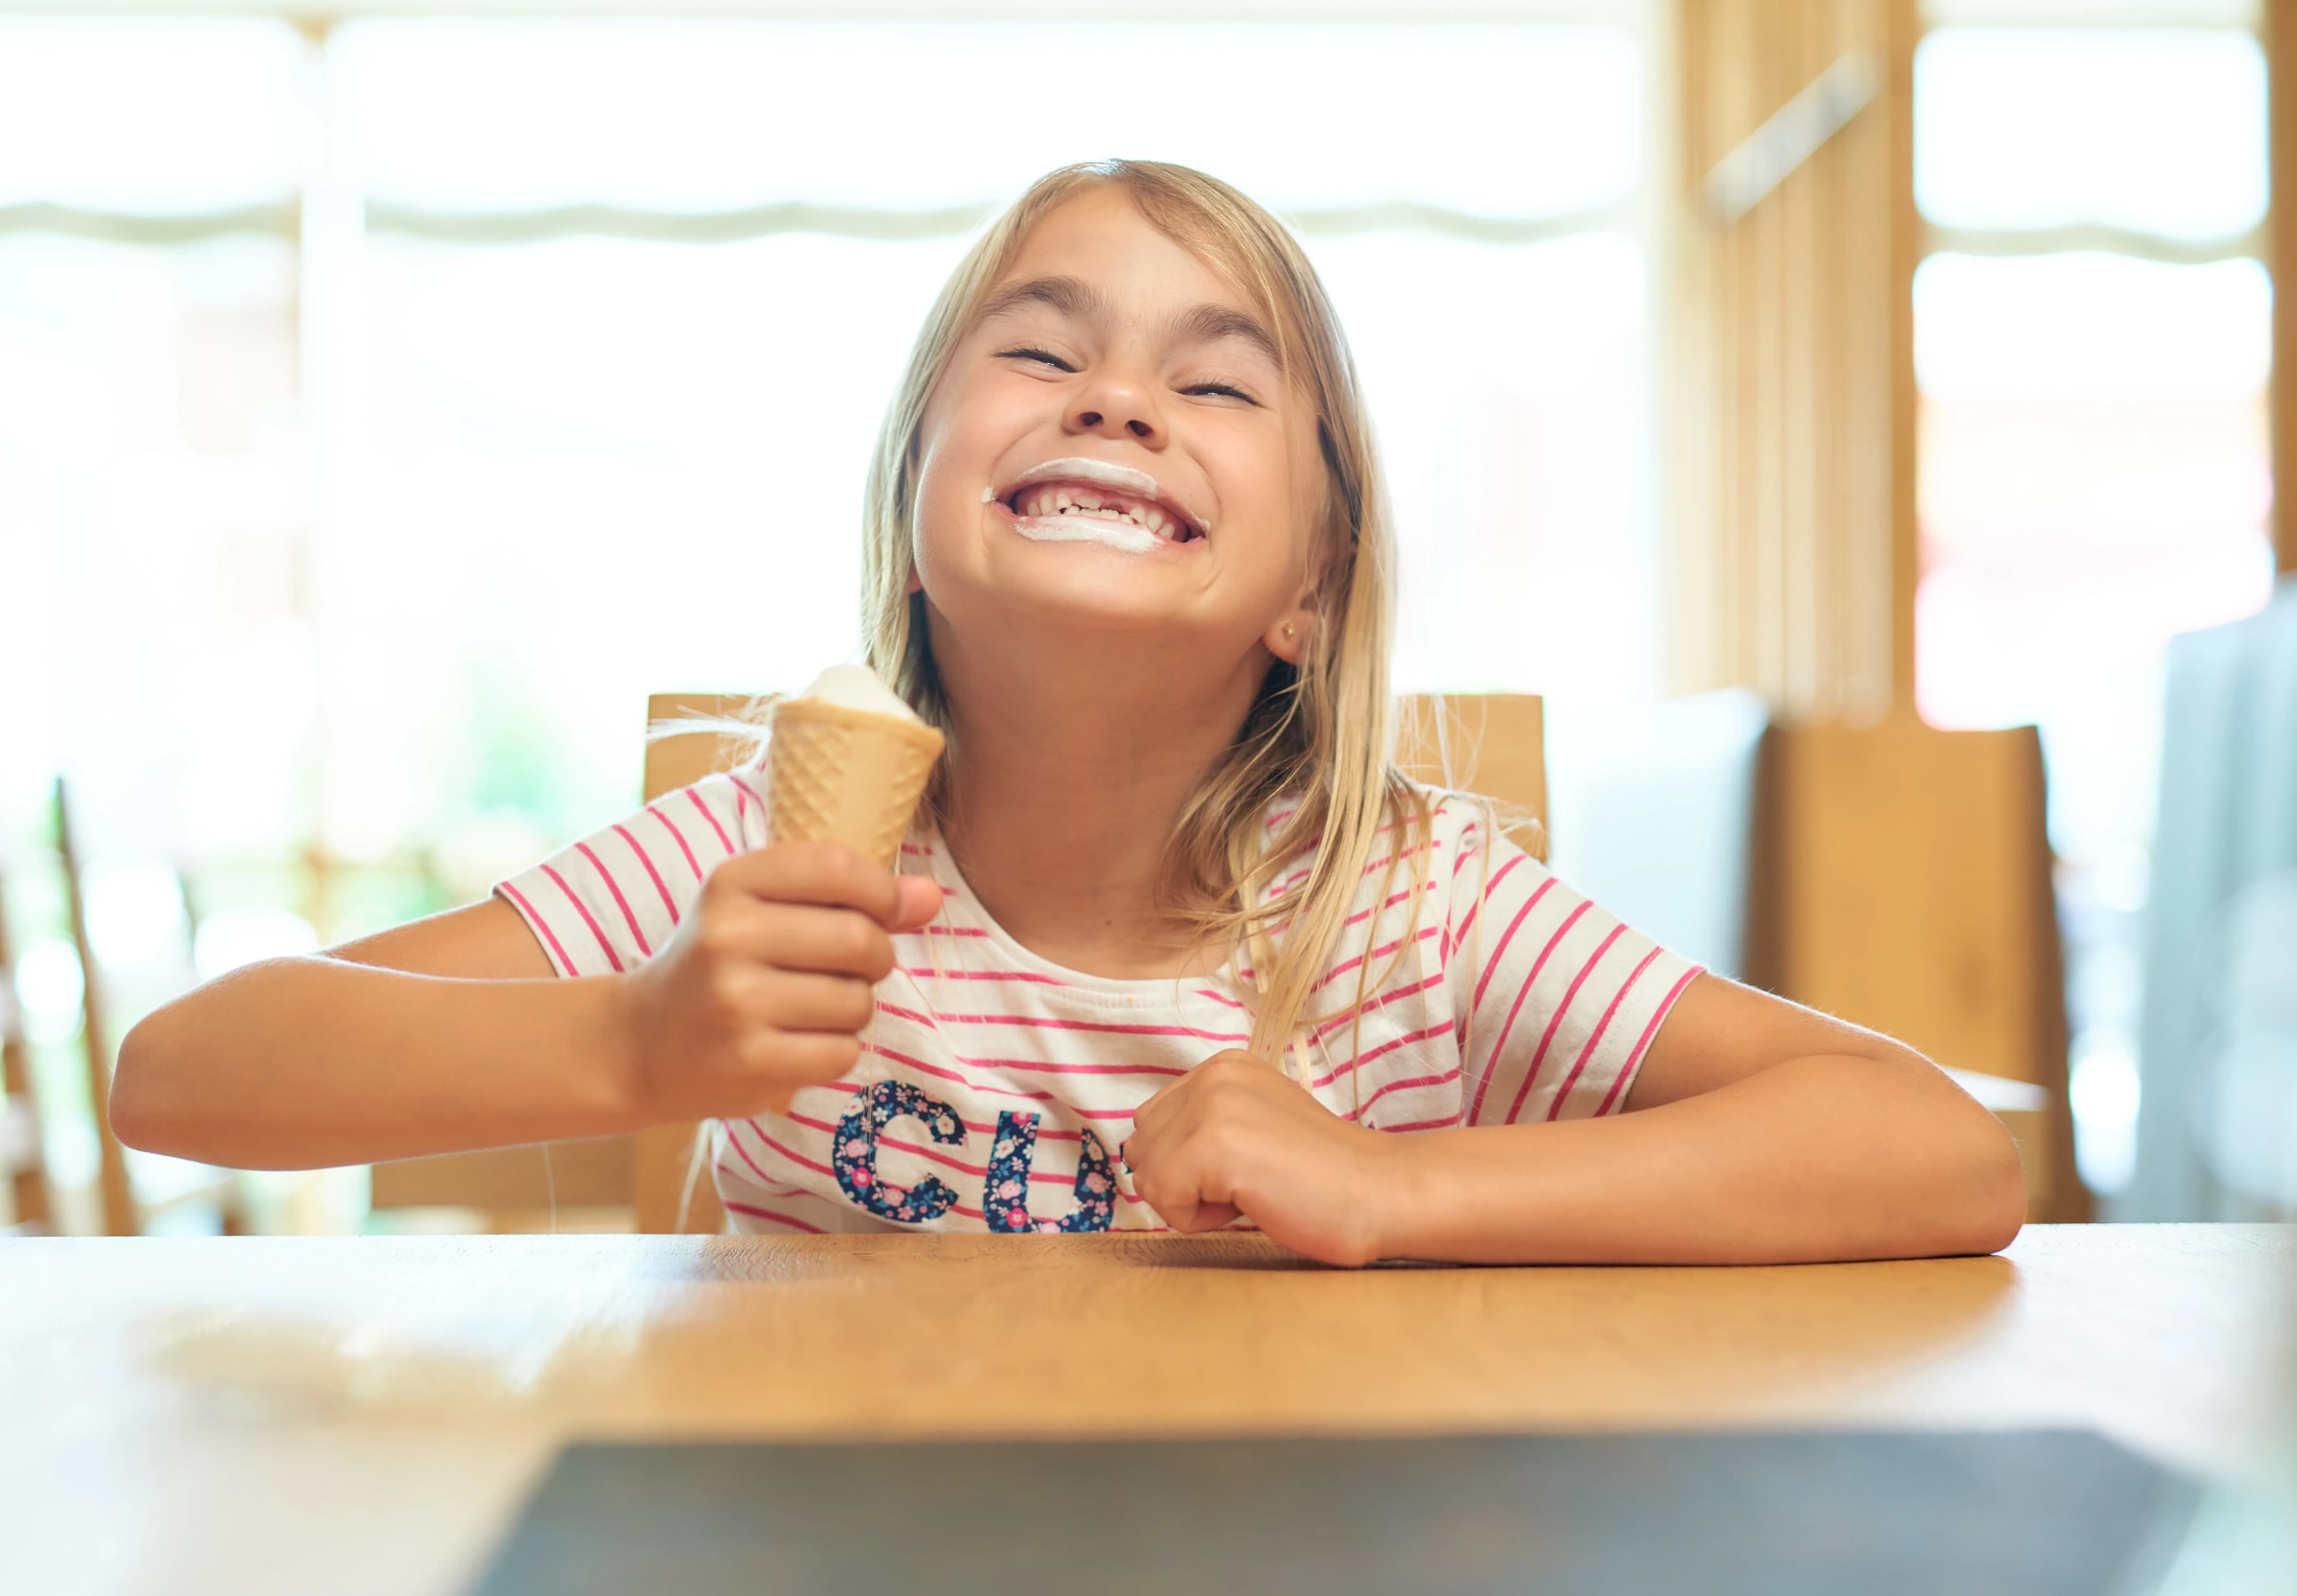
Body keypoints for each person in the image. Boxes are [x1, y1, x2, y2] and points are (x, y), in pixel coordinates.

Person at [114, 160, 2024, 1265]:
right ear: (920, 514)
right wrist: (632, 1044)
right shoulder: (769, 862)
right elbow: (183, 1075)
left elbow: (1937, 1149)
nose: (1116, 399)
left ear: (1310, 594)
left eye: (1216, 386)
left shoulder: (1405, 909)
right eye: (1041, 349)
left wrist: (1391, 1181)